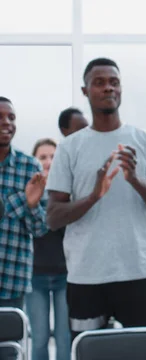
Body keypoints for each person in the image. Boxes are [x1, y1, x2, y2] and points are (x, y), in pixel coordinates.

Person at [46, 58, 146, 340]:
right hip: (86, 276)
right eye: (99, 82)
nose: (108, 88)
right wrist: (94, 196)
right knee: (89, 352)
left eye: (114, 82)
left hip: (139, 271)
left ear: (121, 89)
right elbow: (53, 217)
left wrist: (135, 180)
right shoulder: (69, 148)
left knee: (145, 352)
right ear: (85, 90)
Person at [0, 97, 48, 360]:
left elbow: (39, 228)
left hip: (11, 278)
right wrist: (23, 201)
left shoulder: (30, 167)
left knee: (9, 351)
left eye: (11, 118)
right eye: (1, 117)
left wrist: (32, 206)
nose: (7, 123)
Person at [26, 138, 71, 360]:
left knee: (64, 339)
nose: (48, 161)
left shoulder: (68, 189)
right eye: (42, 157)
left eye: (53, 156)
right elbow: (36, 229)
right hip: (35, 275)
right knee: (40, 338)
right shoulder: (28, 190)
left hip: (66, 273)